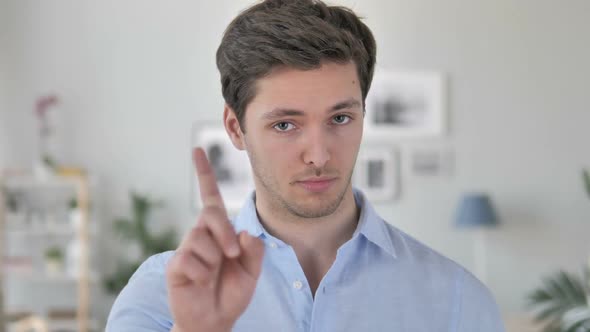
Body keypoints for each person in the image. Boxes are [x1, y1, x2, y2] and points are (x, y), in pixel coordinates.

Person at [106, 0, 505, 331]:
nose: (318, 155)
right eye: (285, 124)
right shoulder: (159, 297)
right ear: (236, 128)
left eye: (340, 119)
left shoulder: (457, 302)